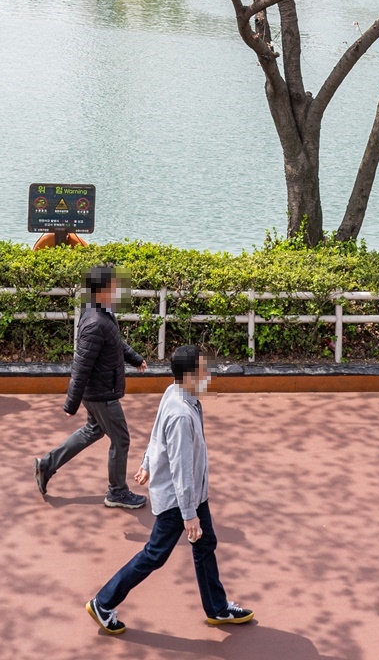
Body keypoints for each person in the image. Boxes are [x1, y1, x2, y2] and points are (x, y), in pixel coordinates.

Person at [86, 345, 254, 636]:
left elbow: (155, 434)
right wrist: (189, 514)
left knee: (205, 545)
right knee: (155, 554)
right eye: (203, 370)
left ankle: (217, 607)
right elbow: (180, 469)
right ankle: (104, 602)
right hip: (180, 500)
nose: (208, 375)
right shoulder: (181, 416)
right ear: (189, 376)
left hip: (193, 495)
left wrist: (148, 462)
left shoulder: (175, 393)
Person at [34, 265, 148, 510]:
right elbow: (81, 365)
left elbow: (115, 342)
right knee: (121, 440)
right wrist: (70, 403)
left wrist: (135, 358)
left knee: (93, 430)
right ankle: (117, 492)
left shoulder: (100, 312)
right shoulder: (96, 322)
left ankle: (47, 464)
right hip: (101, 394)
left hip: (99, 390)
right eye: (115, 286)